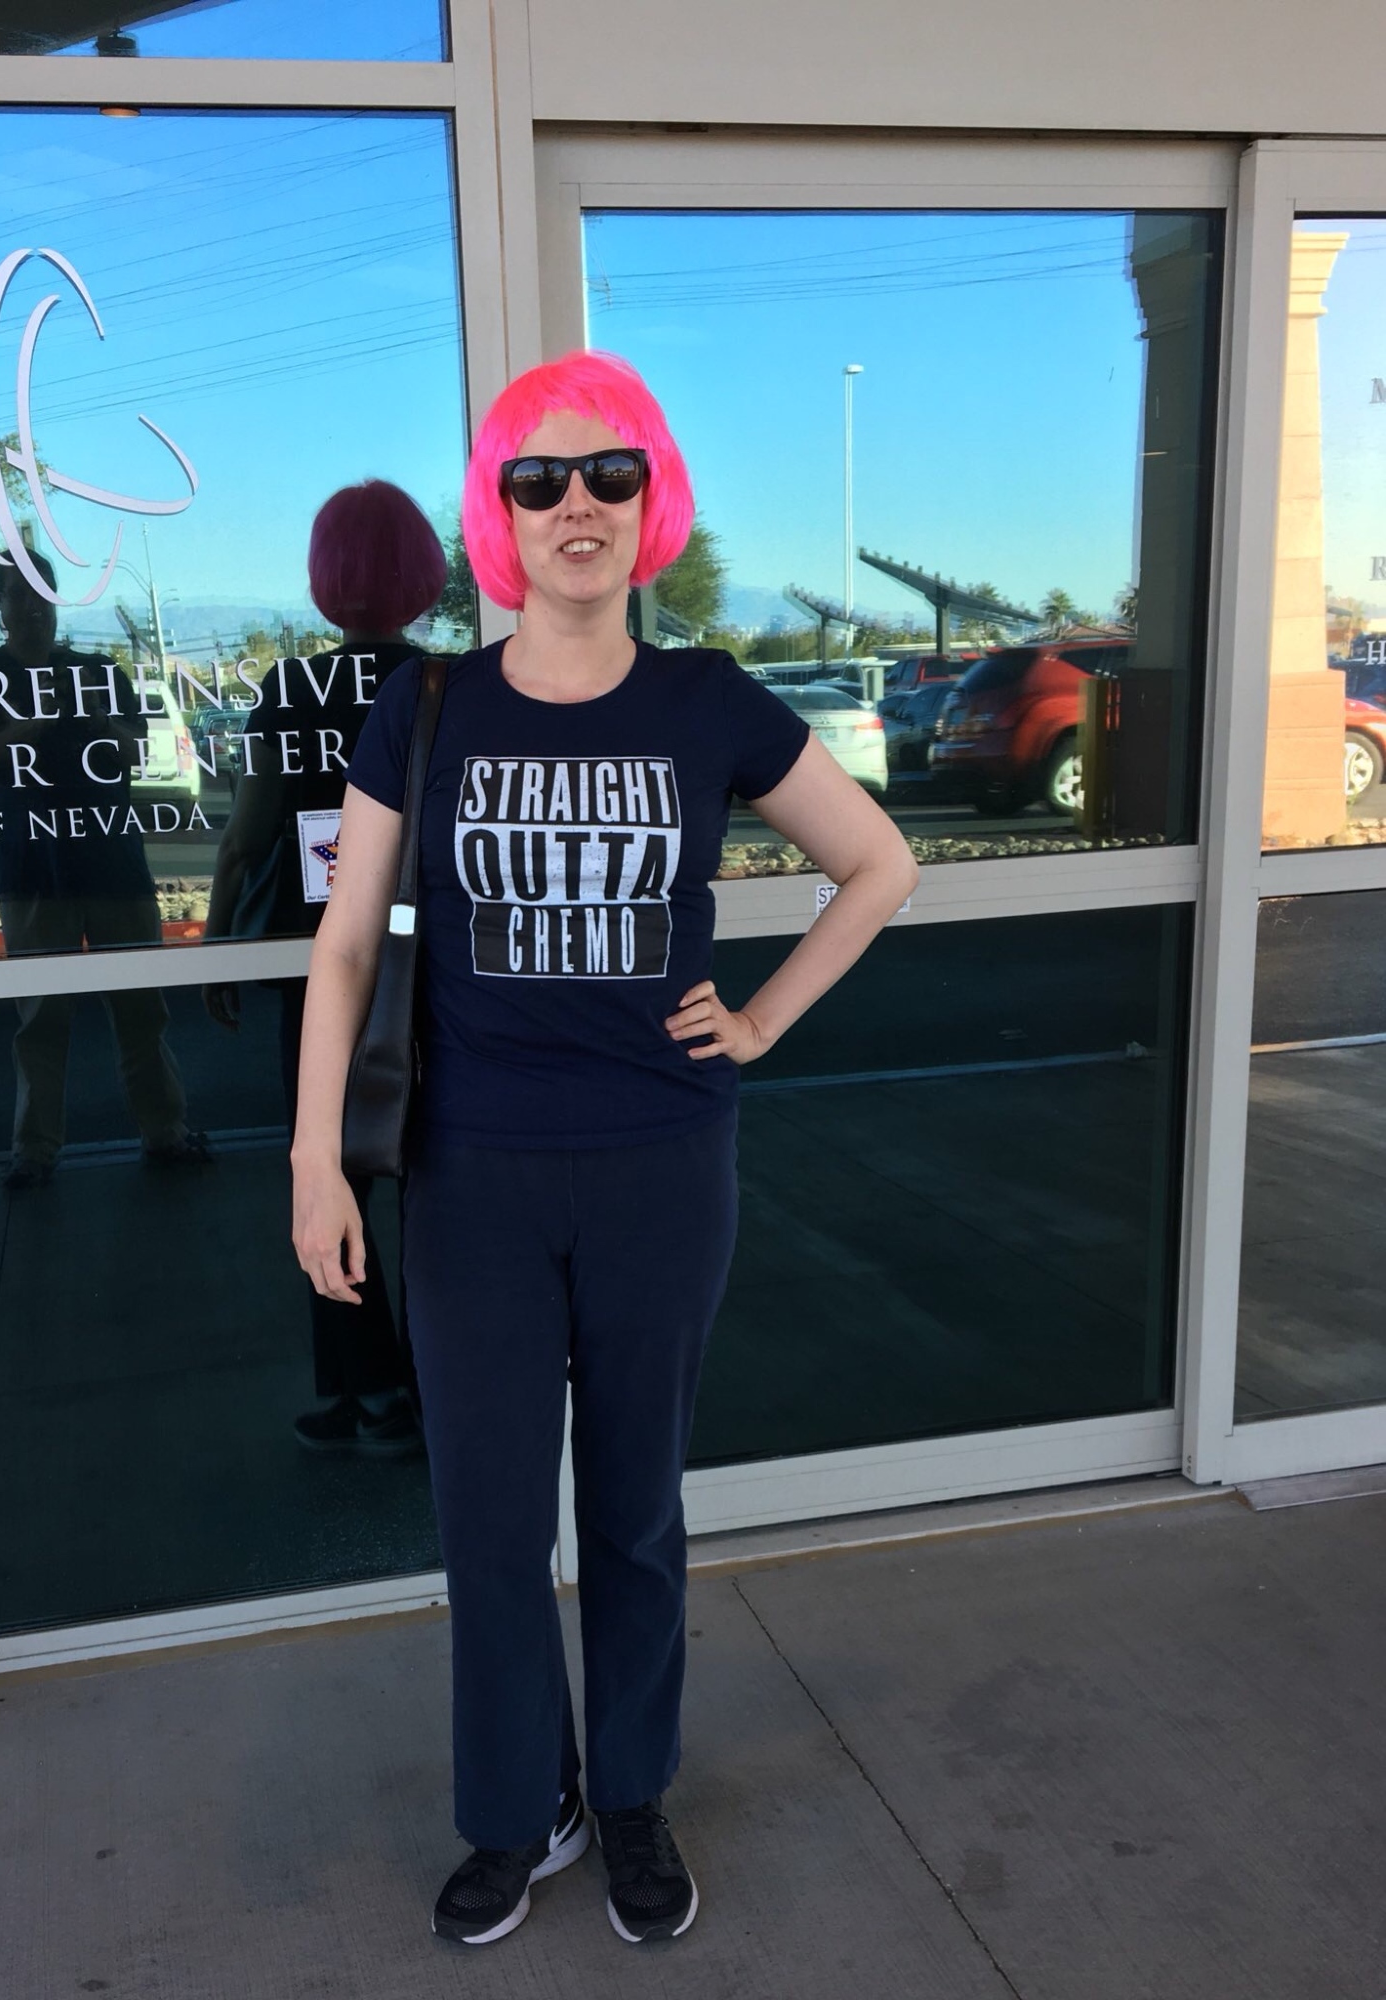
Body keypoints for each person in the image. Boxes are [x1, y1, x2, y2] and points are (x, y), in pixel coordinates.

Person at [290, 351, 917, 1949]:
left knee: (635, 1511)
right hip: (473, 1177)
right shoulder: (427, 704)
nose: (576, 504)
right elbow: (346, 946)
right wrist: (313, 1161)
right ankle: (522, 1810)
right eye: (538, 480)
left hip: (659, 1166)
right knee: (490, 1525)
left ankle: (630, 1792)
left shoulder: (705, 700)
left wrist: (758, 1021)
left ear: (652, 501)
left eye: (609, 474)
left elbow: (877, 863)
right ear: (499, 515)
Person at [205, 481, 447, 1455]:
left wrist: (220, 943)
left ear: (324, 576)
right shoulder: (447, 684)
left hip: (320, 972)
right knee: (431, 1182)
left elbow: (246, 836)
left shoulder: (293, 690)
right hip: (431, 969)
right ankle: (400, 1389)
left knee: (327, 1179)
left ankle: (370, 1388)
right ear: (422, 571)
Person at [0, 551, 211, 1190]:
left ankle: (165, 1132)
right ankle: (34, 1151)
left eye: (40, 591)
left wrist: (87, 712)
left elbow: (133, 748)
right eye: (17, 594)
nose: (30, 606)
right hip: (31, 862)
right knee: (41, 1018)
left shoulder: (98, 670)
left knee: (141, 1008)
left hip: (111, 858)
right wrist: (44, 718)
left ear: (57, 598)